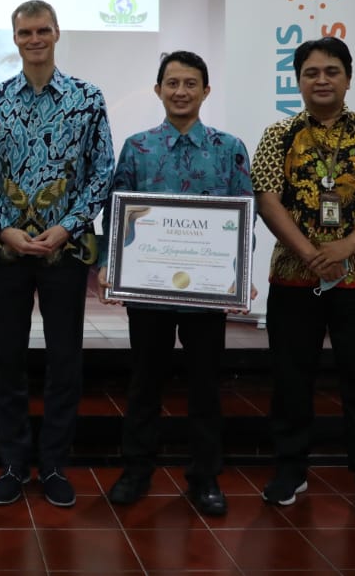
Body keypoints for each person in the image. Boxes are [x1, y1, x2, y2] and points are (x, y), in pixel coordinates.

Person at [252, 37, 355, 523]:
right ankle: (289, 469)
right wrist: (310, 253)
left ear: (348, 78)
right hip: (293, 277)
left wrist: (346, 246)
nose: (321, 80)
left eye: (331, 71)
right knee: (290, 380)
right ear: (298, 81)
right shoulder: (278, 135)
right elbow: (267, 200)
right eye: (311, 73)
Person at [0, 0, 114, 508]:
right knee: (6, 360)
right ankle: (13, 463)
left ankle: (53, 465)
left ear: (56, 33)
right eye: (25, 32)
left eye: (42, 30)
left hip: (65, 251)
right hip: (4, 250)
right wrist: (4, 227)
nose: (34, 39)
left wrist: (67, 226)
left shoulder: (87, 99)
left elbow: (102, 171)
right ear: (15, 38)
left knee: (64, 361)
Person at [96, 51, 252, 517]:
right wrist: (109, 264)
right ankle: (136, 471)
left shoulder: (229, 148)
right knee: (144, 384)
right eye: (172, 83)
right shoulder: (138, 148)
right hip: (148, 290)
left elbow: (244, 215)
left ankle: (205, 477)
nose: (180, 91)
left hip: (206, 294)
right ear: (158, 89)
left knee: (205, 387)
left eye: (190, 83)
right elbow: (116, 211)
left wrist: (240, 275)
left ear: (206, 90)